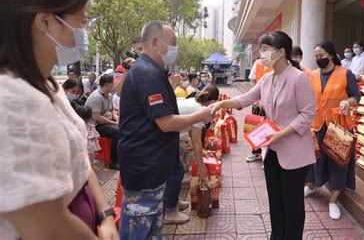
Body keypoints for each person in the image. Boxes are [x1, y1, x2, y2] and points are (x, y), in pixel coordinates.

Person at [0, 0, 118, 239]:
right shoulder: (12, 101)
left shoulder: (46, 84)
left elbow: (78, 156)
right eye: (79, 23)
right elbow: (48, 227)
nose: (82, 35)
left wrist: (105, 214)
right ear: (44, 21)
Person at [210, 31, 316, 240]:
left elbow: (307, 115)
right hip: (272, 151)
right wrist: (223, 103)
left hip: (294, 153)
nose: (261, 54)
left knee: (292, 204)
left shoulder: (299, 78)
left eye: (265, 49)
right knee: (275, 201)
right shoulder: (267, 79)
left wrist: (280, 135)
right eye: (261, 49)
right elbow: (246, 98)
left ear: (281, 52)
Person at [118, 20, 213, 239]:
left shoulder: (152, 71)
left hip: (151, 163)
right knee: (140, 226)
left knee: (151, 225)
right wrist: (199, 115)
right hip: (144, 166)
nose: (175, 49)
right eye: (173, 43)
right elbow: (166, 122)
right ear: (154, 42)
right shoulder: (148, 74)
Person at [305, 41, 361, 220]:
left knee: (338, 163)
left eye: (321, 55)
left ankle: (333, 200)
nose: (318, 59)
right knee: (314, 157)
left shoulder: (345, 74)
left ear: (330, 54)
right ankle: (311, 185)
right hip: (317, 124)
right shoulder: (312, 75)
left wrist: (347, 102)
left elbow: (356, 96)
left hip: (338, 126)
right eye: (316, 56)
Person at [163, 86, 220, 224]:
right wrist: (200, 165)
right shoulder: (201, 110)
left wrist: (202, 152)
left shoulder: (195, 103)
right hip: (164, 137)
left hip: (169, 135)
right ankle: (169, 212)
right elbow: (196, 140)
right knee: (176, 173)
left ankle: (173, 202)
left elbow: (190, 132)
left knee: (177, 171)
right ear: (212, 101)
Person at [85, 74, 119, 170]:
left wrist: (116, 119)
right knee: (119, 132)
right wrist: (114, 123)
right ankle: (114, 161)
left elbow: (112, 110)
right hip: (96, 125)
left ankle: (122, 156)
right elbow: (97, 117)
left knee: (126, 128)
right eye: (112, 84)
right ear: (107, 85)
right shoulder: (96, 97)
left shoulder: (108, 95)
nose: (114, 86)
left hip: (106, 121)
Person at [246, 57, 273, 162]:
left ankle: (267, 155)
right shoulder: (257, 63)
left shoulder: (276, 62)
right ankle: (256, 153)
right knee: (255, 127)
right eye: (262, 48)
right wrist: (257, 97)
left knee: (270, 127)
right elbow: (253, 80)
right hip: (258, 102)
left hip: (272, 102)